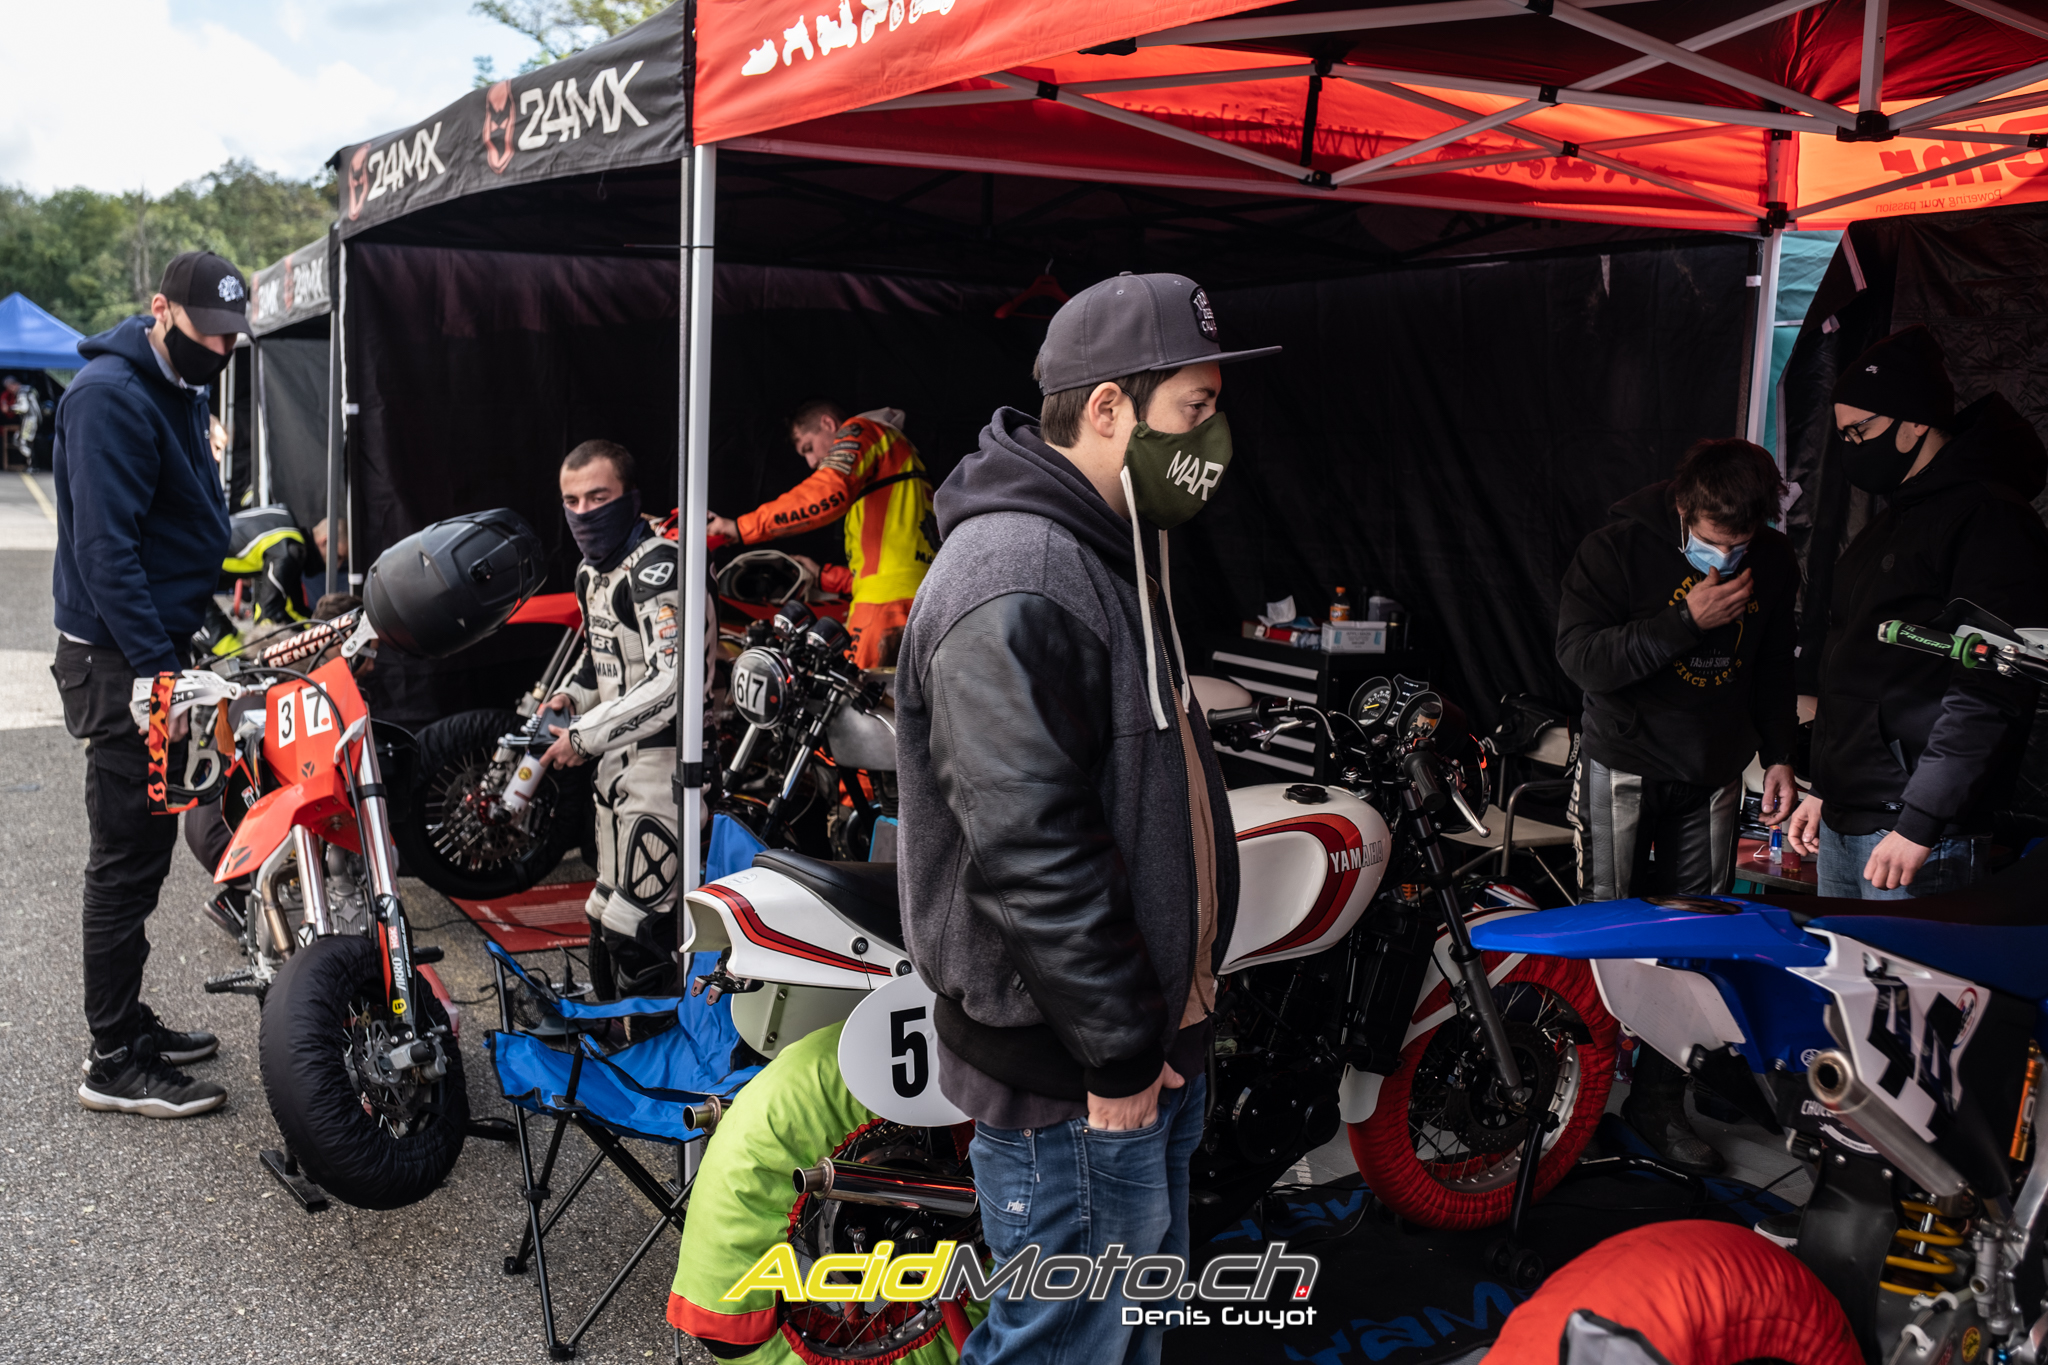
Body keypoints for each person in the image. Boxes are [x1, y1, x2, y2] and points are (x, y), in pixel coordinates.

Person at [896, 271, 1276, 1365]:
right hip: (1075, 1083)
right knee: (1064, 1346)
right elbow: (1033, 850)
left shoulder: (1113, 546)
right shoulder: (1017, 571)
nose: (1211, 439)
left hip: (1137, 1053)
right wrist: (1114, 1059)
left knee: (1122, 1336)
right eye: (1194, 409)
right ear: (1108, 407)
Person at [1555, 438, 1800, 1171]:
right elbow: (1581, 659)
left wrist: (1781, 754)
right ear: (1684, 508)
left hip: (1713, 770)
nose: (1725, 557)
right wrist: (1685, 621)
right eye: (1713, 540)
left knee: (1697, 944)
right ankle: (1576, 1102)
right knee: (1605, 937)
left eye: (1740, 543)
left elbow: (1773, 664)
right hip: (1623, 762)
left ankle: (1659, 1104)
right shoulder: (1616, 549)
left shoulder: (1774, 561)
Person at [53, 250, 243, 1119]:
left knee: (148, 851)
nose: (223, 350)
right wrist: (156, 674)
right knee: (125, 860)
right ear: (161, 310)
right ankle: (111, 1059)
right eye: (210, 334)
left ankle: (128, 1021)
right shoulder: (109, 397)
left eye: (233, 337)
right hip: (119, 659)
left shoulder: (180, 382)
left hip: (157, 644)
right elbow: (107, 553)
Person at [1786, 326, 2048, 897]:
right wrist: (1826, 788)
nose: (1851, 447)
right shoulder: (1891, 522)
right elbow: (1858, 666)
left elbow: (1994, 684)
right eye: (1843, 434)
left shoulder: (1988, 520)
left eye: (1860, 430)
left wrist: (1924, 819)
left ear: (1915, 423)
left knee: (1906, 960)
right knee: (1843, 960)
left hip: (1914, 835)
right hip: (1849, 817)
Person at [538, 440, 686, 1000]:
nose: (584, 513)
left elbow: (672, 683)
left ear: (630, 496)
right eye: (571, 501)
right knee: (603, 907)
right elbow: (600, 657)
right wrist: (569, 699)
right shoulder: (591, 573)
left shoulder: (658, 567)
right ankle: (617, 1028)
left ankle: (658, 1038)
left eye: (598, 498)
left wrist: (583, 736)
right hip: (613, 764)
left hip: (666, 763)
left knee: (638, 919)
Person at [706, 400, 935, 669]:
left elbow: (829, 492)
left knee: (855, 695)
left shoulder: (863, 430)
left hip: (883, 609)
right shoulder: (899, 457)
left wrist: (739, 528)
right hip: (923, 601)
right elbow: (891, 566)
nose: (812, 461)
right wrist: (822, 575)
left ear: (828, 423)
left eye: (808, 448)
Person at [194, 505, 314, 658]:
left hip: (194, 565)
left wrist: (316, 630)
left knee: (235, 646)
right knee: (228, 652)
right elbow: (267, 616)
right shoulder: (288, 545)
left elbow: (289, 609)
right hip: (183, 570)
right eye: (339, 558)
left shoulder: (287, 531)